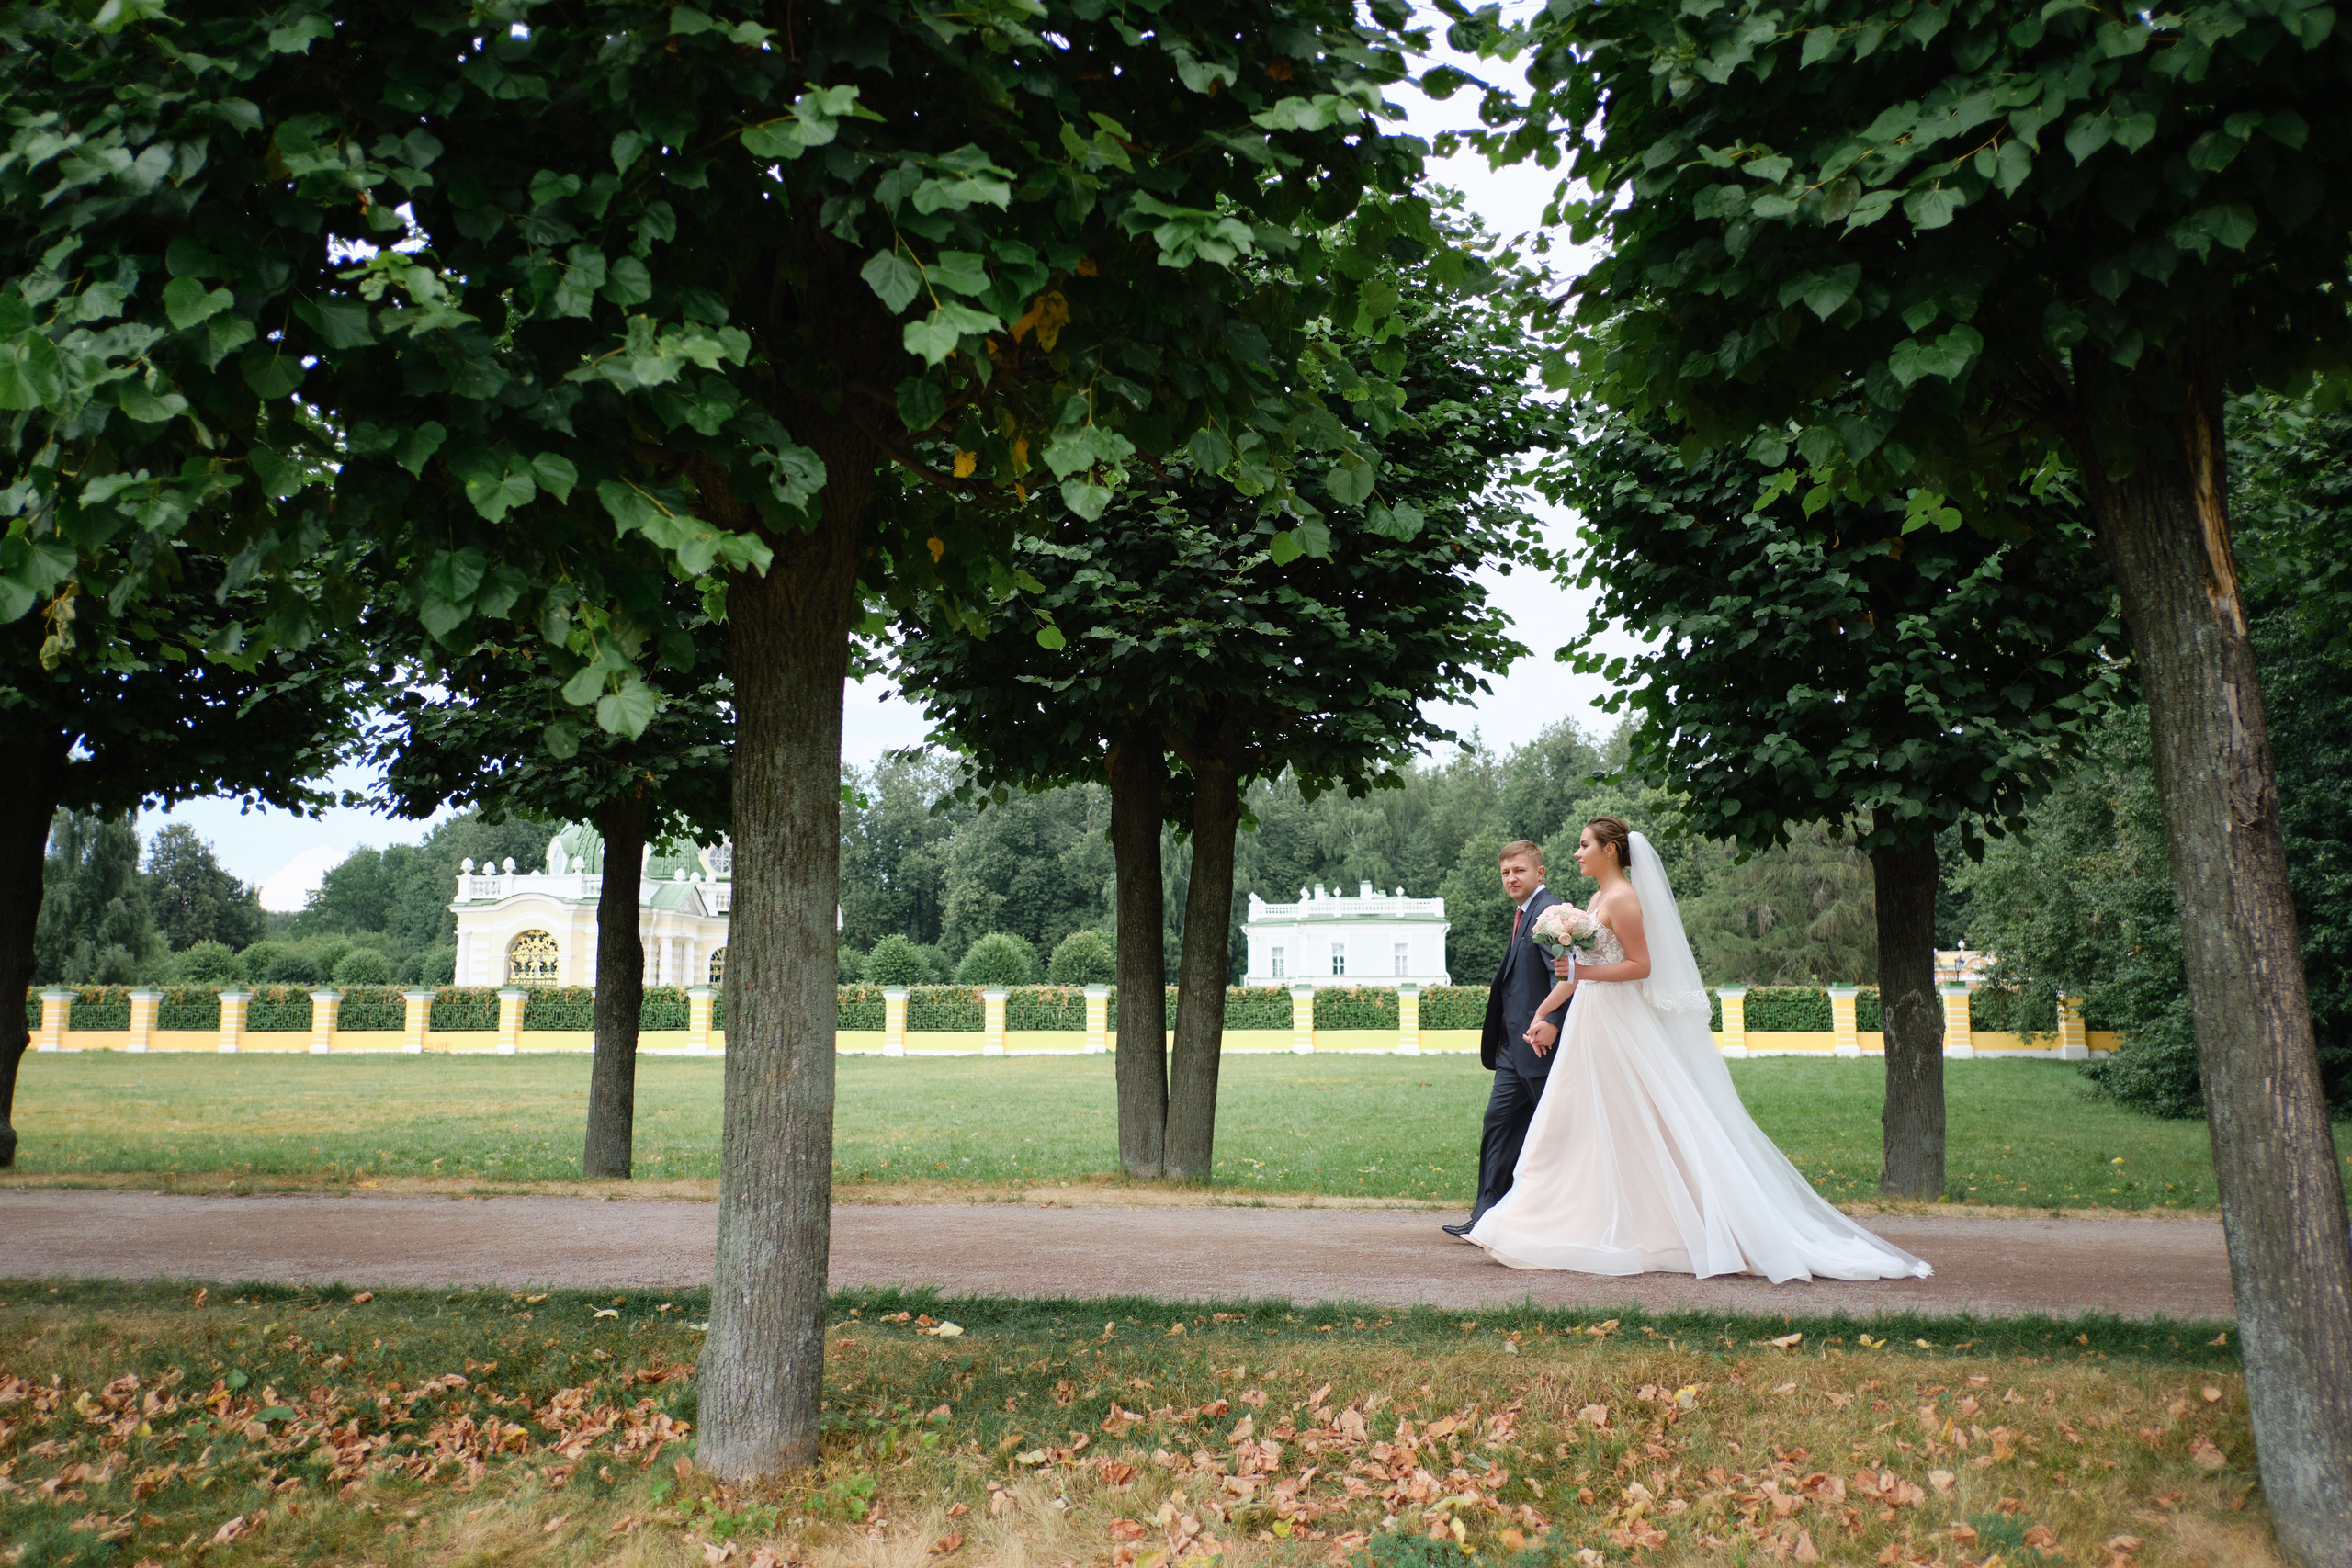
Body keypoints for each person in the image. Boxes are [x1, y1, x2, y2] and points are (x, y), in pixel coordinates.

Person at [1465, 817, 1930, 1282]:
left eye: (1584, 845)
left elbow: (1640, 966)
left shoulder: (1625, 898)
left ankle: (1662, 1224)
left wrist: (1581, 976)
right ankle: (1562, 1217)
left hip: (1616, 1023)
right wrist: (1542, 1014)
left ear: (1610, 850)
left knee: (1636, 1121)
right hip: (1589, 1019)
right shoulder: (1594, 899)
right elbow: (1574, 971)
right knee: (1577, 1122)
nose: (1577, 853)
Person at [1442, 840, 1571, 1239]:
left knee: (1555, 1137)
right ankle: (1485, 1220)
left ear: (1540, 873)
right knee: (1497, 1125)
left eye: (1519, 871)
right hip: (1513, 1051)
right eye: (1505, 873)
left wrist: (1551, 1019)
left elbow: (1565, 975)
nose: (1511, 878)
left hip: (1541, 1047)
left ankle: (1559, 1221)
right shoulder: (1522, 914)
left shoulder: (1551, 914)